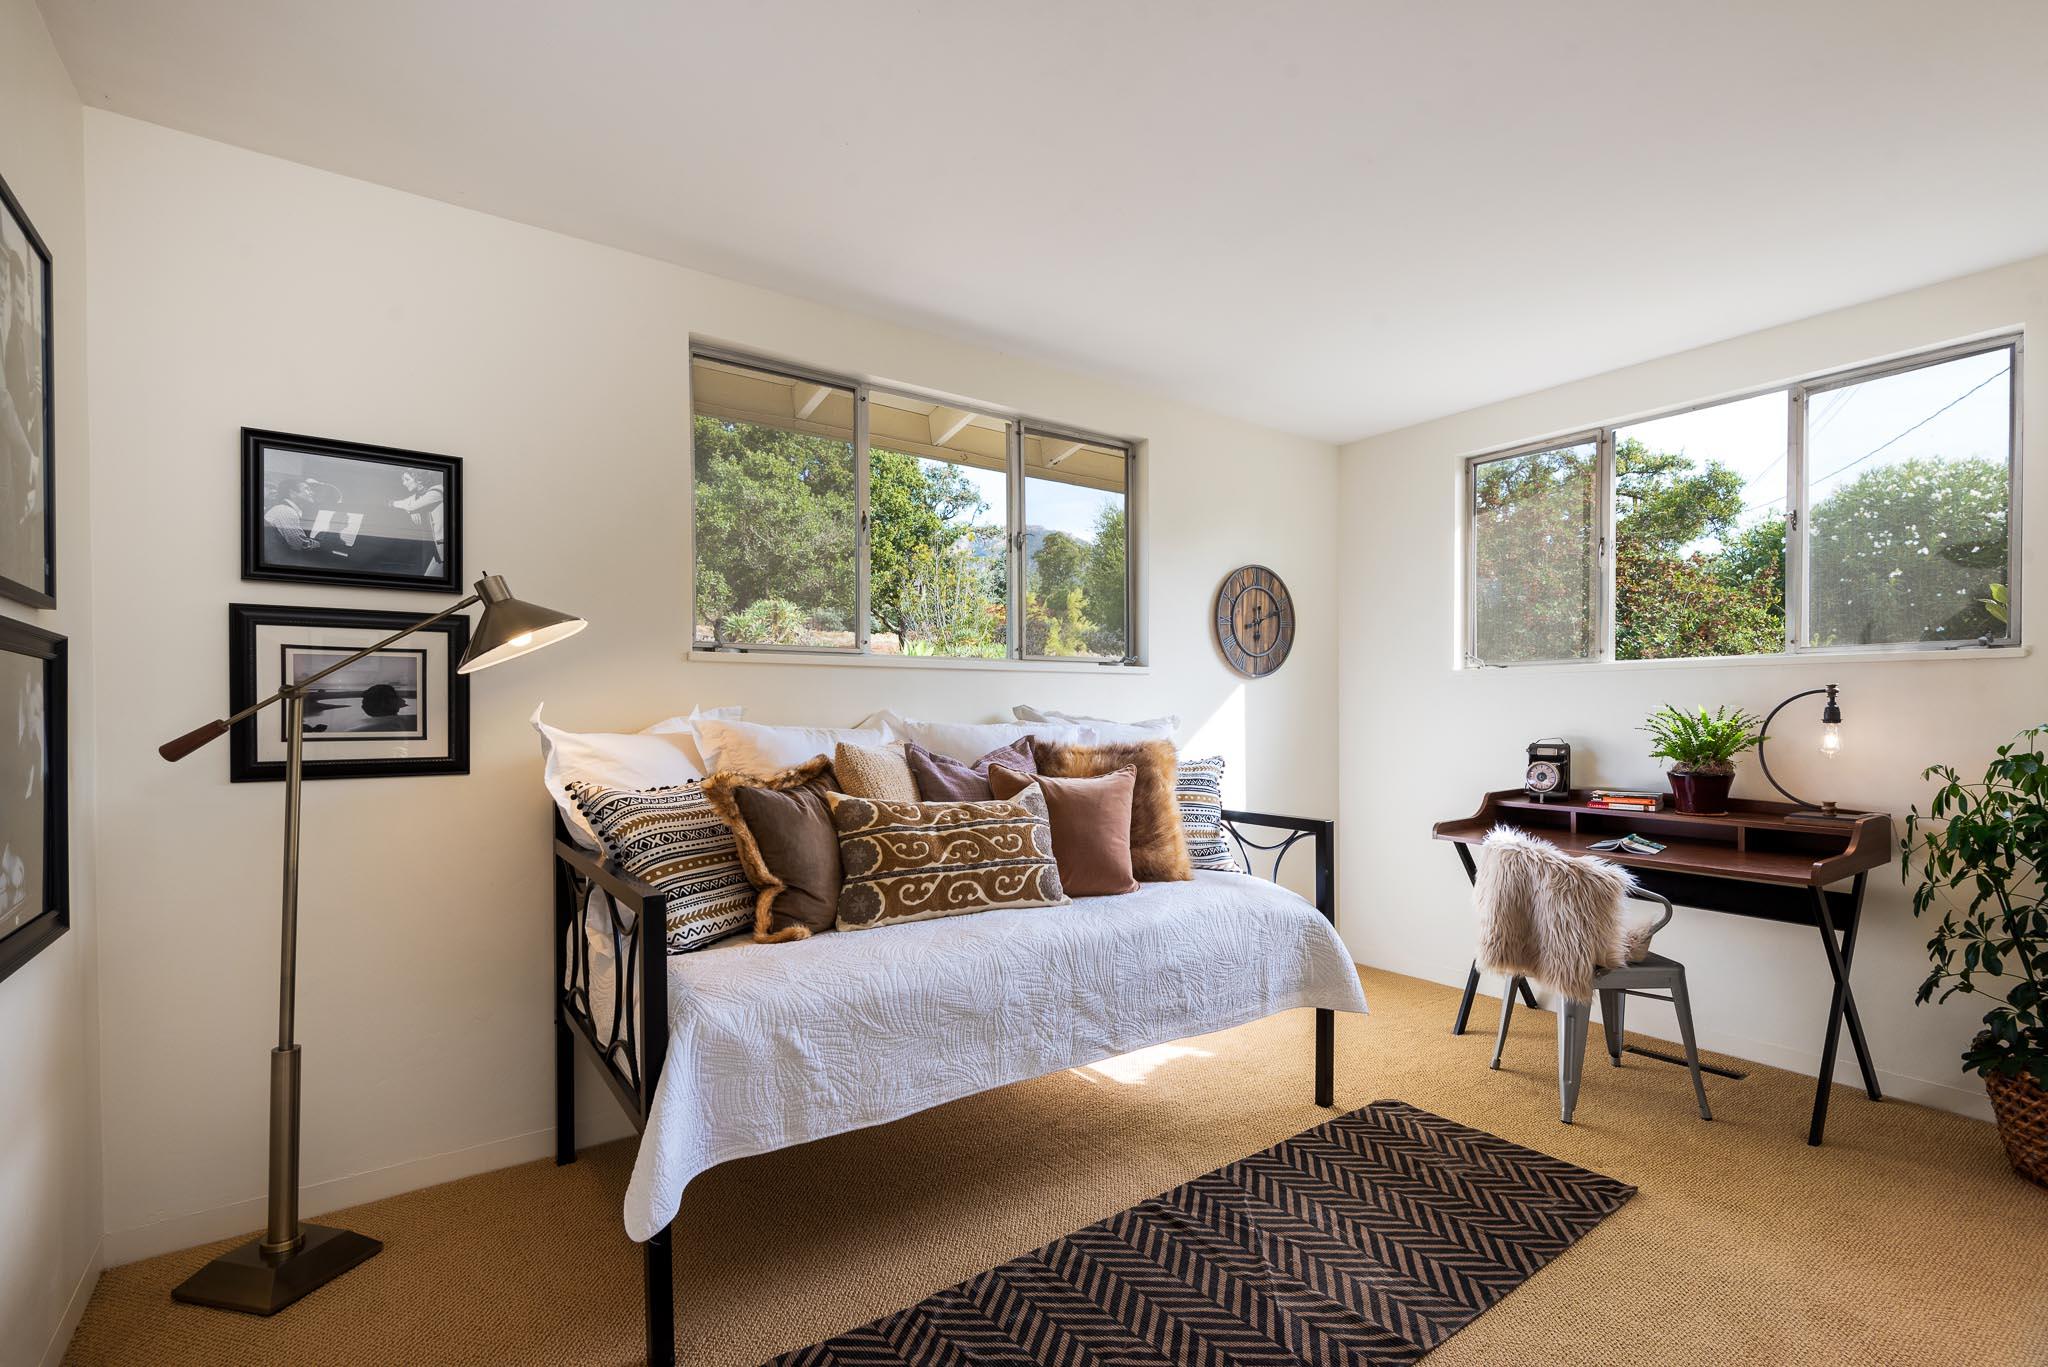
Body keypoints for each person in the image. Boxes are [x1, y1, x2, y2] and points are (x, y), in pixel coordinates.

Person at [391, 469, 446, 577]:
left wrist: (412, 510)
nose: (404, 483)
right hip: (438, 548)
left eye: (407, 479)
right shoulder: (421, 495)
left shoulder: (437, 491)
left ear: (419, 480)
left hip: (445, 548)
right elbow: (401, 503)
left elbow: (411, 506)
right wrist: (410, 511)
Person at [264, 477, 329, 565]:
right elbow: (299, 544)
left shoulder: (284, 509)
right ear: (292, 492)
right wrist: (323, 544)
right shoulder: (285, 510)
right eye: (307, 489)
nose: (312, 492)